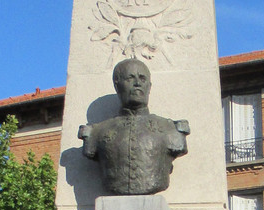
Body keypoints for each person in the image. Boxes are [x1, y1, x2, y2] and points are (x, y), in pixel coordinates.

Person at [79, 58, 189, 195]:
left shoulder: (170, 128)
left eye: (142, 79)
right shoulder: (97, 131)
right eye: (130, 78)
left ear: (149, 86)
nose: (137, 84)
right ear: (117, 85)